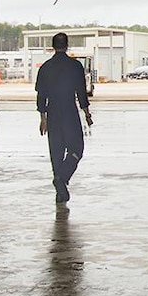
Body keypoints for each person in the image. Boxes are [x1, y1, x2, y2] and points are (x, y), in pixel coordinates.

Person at [36, 33, 92, 205]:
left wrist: (43, 118)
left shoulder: (45, 67)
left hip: (53, 113)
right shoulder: (75, 66)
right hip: (69, 111)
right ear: (67, 46)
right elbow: (81, 93)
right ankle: (62, 178)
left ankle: (60, 190)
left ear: (53, 46)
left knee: (56, 152)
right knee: (76, 149)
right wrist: (87, 114)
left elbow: (41, 96)